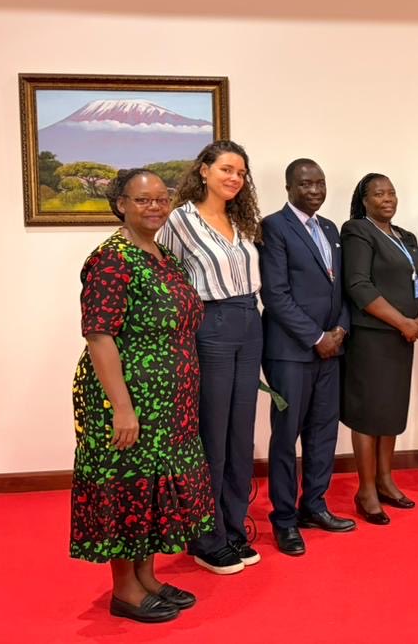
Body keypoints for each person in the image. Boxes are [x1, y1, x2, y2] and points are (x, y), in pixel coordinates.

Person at [70, 169, 212, 623]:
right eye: (142, 200)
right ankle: (125, 590)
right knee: (127, 487)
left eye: (160, 199)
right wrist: (121, 408)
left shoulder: (161, 254)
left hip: (169, 403)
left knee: (153, 489)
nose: (154, 207)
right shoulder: (112, 259)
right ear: (121, 205)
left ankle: (147, 577)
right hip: (131, 400)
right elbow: (99, 336)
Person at [157, 140, 263, 575]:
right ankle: (206, 537)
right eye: (225, 169)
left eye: (240, 172)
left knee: (241, 436)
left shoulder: (241, 219)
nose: (234, 178)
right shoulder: (179, 221)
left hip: (249, 321)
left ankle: (235, 529)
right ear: (203, 170)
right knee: (211, 436)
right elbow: (162, 274)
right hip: (211, 326)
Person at [259, 158, 356, 556]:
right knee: (286, 437)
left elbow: (340, 290)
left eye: (320, 183)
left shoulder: (330, 228)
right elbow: (275, 294)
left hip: (330, 351)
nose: (314, 190)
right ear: (288, 188)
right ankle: (283, 519)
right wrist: (316, 337)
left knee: (323, 433)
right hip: (290, 353)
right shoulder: (273, 227)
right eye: (305, 184)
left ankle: (314, 506)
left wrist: (340, 330)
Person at [341, 173, 418, 524]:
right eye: (378, 193)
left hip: (401, 338)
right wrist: (403, 322)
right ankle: (365, 490)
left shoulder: (405, 236)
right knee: (367, 414)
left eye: (391, 192)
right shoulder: (357, 231)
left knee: (391, 410)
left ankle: (385, 479)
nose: (387, 198)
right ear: (364, 200)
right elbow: (358, 285)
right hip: (372, 337)